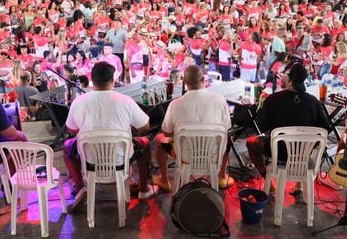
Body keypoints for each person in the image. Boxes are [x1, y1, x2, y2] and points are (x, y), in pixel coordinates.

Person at [63, 62, 158, 210]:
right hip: (121, 160)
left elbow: (71, 130)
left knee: (67, 146)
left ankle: (81, 189)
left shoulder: (78, 102)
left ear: (91, 80)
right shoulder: (125, 100)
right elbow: (144, 126)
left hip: (89, 160)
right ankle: (144, 190)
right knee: (144, 142)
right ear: (112, 80)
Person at [153, 65, 234, 192]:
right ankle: (221, 176)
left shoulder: (175, 104)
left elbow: (167, 133)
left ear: (185, 82)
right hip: (213, 155)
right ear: (203, 80)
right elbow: (226, 129)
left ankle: (164, 180)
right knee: (226, 138)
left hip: (185, 156)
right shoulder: (220, 100)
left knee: (159, 139)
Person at [246, 63, 331, 178]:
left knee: (250, 142)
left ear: (290, 79)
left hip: (278, 151)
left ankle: (267, 178)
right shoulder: (313, 101)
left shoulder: (273, 99)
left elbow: (262, 127)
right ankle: (299, 185)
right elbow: (326, 128)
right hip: (303, 154)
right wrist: (311, 143)